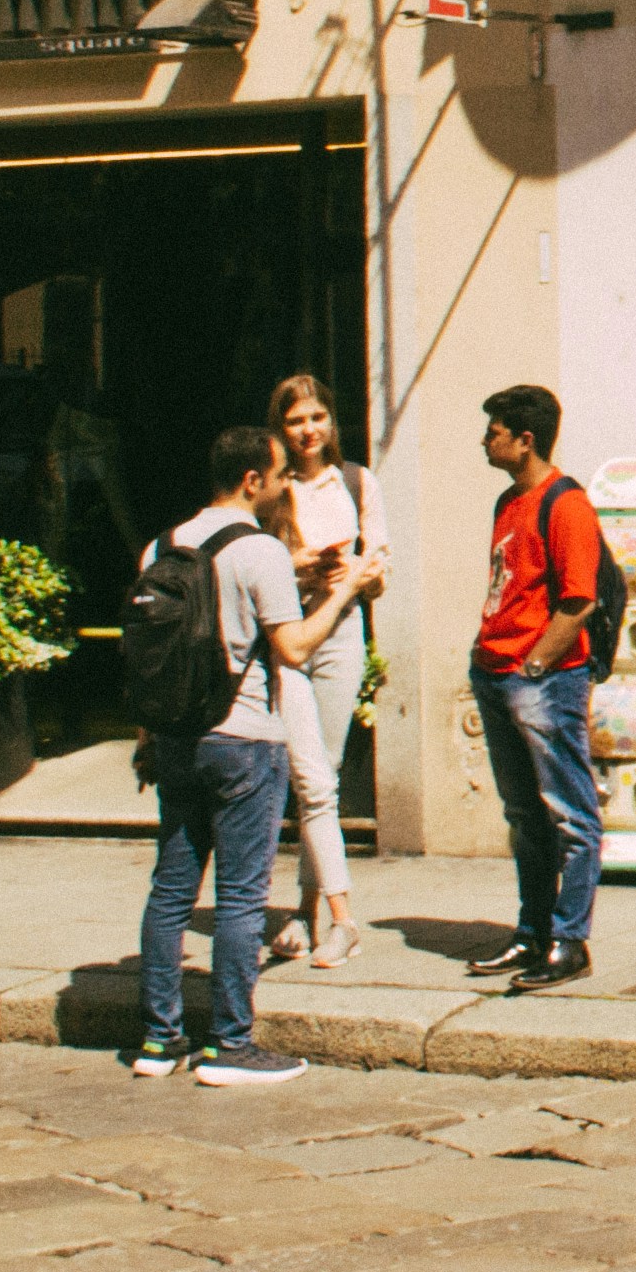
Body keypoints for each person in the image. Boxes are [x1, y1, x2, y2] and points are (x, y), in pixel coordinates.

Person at [131, 423, 312, 1086]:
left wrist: (148, 738)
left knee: (172, 887)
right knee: (241, 896)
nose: (287, 482)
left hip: (177, 736)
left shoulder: (161, 544)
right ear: (253, 479)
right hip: (244, 740)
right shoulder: (260, 551)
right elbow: (291, 648)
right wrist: (350, 591)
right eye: (282, 472)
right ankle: (231, 1045)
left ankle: (160, 1040)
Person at [468, 383, 605, 988]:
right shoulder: (507, 501)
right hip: (495, 672)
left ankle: (570, 941)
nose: (484, 440)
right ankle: (532, 934)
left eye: (494, 431)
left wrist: (533, 667)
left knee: (570, 815)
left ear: (525, 440)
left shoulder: (567, 503)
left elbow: (578, 600)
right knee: (524, 815)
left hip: (542, 678)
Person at [264, 372, 389, 969]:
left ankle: (305, 909)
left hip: (340, 636)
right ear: (280, 429)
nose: (308, 431)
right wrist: (300, 569)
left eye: (317, 418)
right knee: (309, 780)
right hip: (289, 638)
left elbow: (381, 574)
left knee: (327, 772)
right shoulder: (270, 491)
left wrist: (357, 576)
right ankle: (335, 920)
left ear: (331, 422)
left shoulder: (358, 482)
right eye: (295, 421)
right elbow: (256, 569)